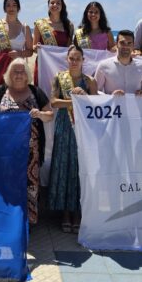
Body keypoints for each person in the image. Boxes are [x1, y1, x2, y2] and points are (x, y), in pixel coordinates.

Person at [0, 58, 53, 224]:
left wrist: (41, 114)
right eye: (15, 71)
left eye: (22, 71)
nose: (19, 75)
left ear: (27, 75)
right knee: (6, 184)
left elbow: (50, 115)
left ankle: (28, 222)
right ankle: (7, 222)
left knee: (30, 186)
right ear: (9, 74)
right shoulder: (1, 91)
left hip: (31, 153)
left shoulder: (36, 92)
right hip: (5, 152)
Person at [48, 45, 97, 234]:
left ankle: (78, 212)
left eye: (78, 58)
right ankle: (65, 213)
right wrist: (74, 100)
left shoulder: (90, 81)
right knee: (64, 167)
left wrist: (85, 97)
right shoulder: (59, 78)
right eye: (71, 58)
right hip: (64, 127)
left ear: (83, 60)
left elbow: (95, 105)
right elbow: (53, 102)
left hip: (83, 130)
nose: (74, 61)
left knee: (79, 168)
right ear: (67, 59)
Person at [94, 30, 142, 96]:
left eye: (129, 43)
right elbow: (95, 92)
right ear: (116, 44)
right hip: (113, 106)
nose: (125, 46)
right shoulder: (103, 65)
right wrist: (111, 97)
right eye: (122, 43)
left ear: (133, 45)